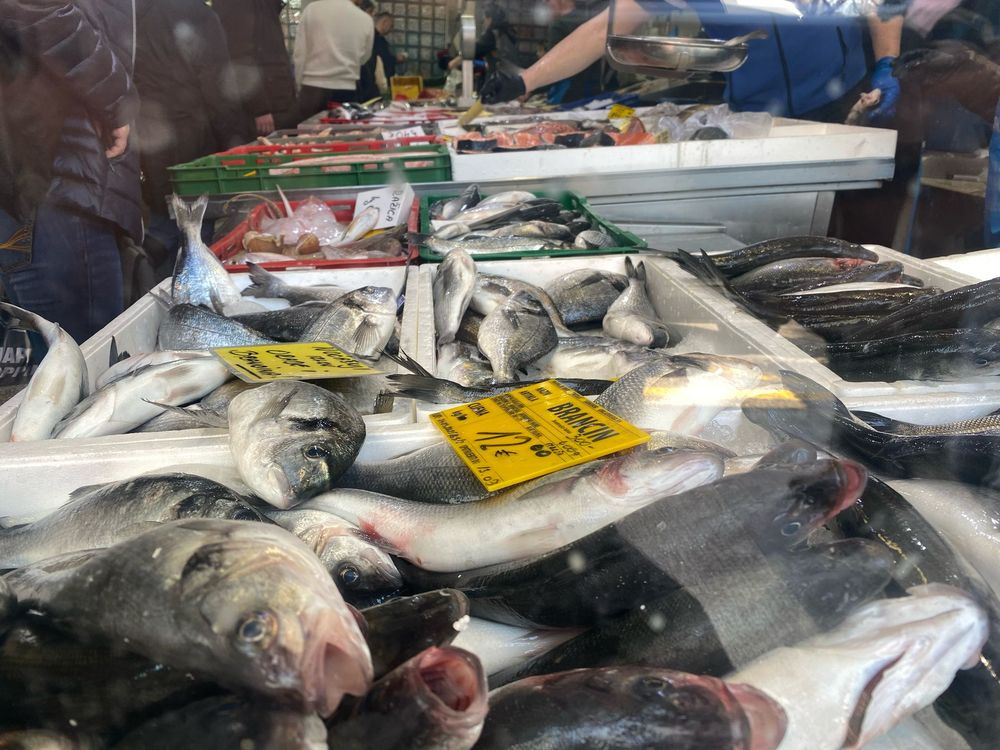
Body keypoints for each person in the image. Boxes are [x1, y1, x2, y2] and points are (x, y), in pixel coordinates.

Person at [479, 0, 903, 125]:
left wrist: (888, 64)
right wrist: (525, 81)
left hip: (844, 96)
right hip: (758, 117)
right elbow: (600, 30)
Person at [0, 0, 140, 343]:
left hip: (46, 174)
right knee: (82, 360)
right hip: (52, 175)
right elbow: (38, 8)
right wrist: (116, 99)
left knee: (65, 358)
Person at [133, 0, 252, 265]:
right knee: (197, 226)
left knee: (163, 218)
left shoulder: (131, 12)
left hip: (149, 135)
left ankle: (150, 285)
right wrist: (236, 146)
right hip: (194, 142)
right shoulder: (195, 12)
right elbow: (217, 83)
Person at [213, 0, 297, 137]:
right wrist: (259, 108)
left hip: (275, 101)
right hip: (264, 109)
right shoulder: (238, 4)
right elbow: (237, 54)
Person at [294, 0, 374, 119]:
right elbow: (364, 58)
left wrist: (298, 86)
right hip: (347, 90)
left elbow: (300, 54)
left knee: (307, 134)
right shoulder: (365, 19)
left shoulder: (312, 10)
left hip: (312, 88)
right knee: (343, 136)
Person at [545, 0, 608, 105]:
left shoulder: (559, 25)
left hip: (567, 93)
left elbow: (552, 66)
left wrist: (529, 88)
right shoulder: (590, 22)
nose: (546, 4)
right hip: (592, 91)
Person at [448, 4, 519, 75]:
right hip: (514, 75)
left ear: (490, 19)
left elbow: (475, 49)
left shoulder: (492, 34)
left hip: (501, 78)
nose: (483, 22)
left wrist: (454, 62)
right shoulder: (507, 31)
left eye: (484, 18)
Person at [356, 0, 380, 102]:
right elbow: (365, 58)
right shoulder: (366, 27)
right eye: (372, 14)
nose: (373, 19)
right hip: (363, 84)